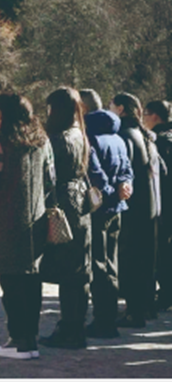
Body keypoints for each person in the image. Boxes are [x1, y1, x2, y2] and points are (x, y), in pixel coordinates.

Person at [0, 93, 55, 360]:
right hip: (36, 220)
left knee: (11, 282)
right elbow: (50, 180)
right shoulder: (42, 141)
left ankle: (18, 340)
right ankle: (30, 338)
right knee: (32, 280)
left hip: (5, 221)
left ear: (0, 115)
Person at [38, 88, 105, 350]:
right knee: (80, 272)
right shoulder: (80, 134)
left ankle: (69, 329)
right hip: (81, 205)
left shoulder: (57, 139)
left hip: (65, 204)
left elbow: (49, 177)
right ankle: (75, 327)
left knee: (69, 273)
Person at [79, 89, 134, 339]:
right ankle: (108, 316)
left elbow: (95, 174)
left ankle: (103, 321)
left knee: (98, 266)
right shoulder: (117, 136)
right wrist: (124, 187)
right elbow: (127, 170)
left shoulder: (89, 136)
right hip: (117, 208)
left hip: (100, 208)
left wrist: (111, 193)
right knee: (112, 263)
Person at [111, 93, 163, 327]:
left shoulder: (124, 135)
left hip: (132, 208)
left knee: (130, 261)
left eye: (112, 106)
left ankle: (134, 312)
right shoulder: (145, 136)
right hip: (151, 206)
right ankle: (145, 307)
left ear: (121, 109)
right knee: (145, 261)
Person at [144, 100, 172, 311]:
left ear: (155, 116)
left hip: (164, 203)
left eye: (145, 114)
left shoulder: (158, 142)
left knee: (162, 251)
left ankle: (165, 295)